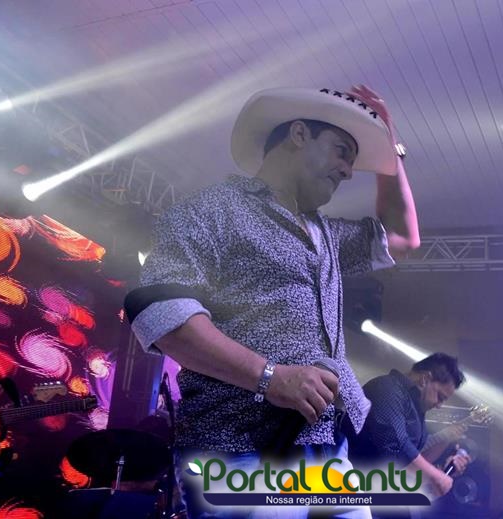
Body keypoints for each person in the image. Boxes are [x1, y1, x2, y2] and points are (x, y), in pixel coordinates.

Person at [124, 85, 419, 517]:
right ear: (298, 134)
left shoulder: (326, 233)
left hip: (326, 446)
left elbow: (403, 238)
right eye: (342, 151)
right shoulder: (212, 209)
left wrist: (391, 149)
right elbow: (163, 316)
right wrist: (270, 377)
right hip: (239, 446)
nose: (347, 171)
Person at [349, 353, 471, 504]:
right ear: (425, 378)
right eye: (440, 396)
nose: (440, 405)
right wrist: (435, 475)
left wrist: (444, 469)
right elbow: (397, 447)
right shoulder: (387, 388)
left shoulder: (417, 410)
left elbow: (414, 458)